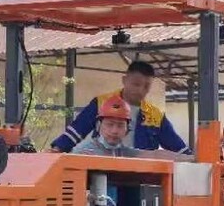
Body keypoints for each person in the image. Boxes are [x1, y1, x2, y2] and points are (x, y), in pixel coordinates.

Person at [50, 60, 191, 154]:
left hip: (139, 176)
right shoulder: (101, 103)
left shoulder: (155, 116)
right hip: (103, 169)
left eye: (147, 86)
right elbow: (76, 131)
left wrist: (195, 161)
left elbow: (177, 147)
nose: (141, 90)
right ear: (124, 80)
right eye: (136, 84)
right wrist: (57, 150)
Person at [72, 95, 193, 162]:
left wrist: (191, 159)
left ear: (127, 129)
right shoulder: (83, 152)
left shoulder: (124, 153)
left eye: (120, 125)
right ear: (98, 126)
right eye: (110, 124)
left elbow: (155, 155)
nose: (114, 130)